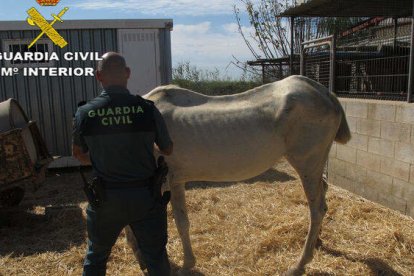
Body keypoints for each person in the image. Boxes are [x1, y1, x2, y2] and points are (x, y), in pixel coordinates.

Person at [72, 52, 173, 276]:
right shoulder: (147, 109)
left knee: (96, 257)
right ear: (127, 73)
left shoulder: (85, 113)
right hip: (146, 198)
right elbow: (167, 149)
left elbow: (78, 154)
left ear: (99, 76)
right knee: (156, 256)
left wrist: (101, 157)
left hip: (105, 199)